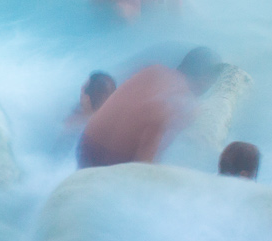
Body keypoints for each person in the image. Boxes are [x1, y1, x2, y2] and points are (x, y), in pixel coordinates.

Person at [76, 47, 226, 169]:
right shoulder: (185, 104)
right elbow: (145, 163)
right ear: (205, 79)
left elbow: (132, 112)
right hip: (111, 167)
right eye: (212, 82)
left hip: (85, 145)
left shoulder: (152, 70)